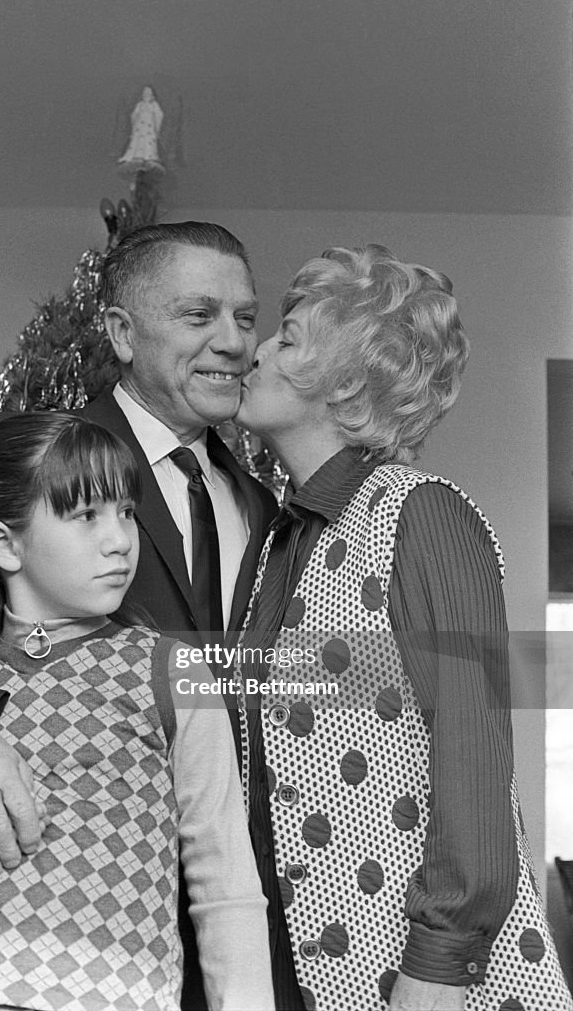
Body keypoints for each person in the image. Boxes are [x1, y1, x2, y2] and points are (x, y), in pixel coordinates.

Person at [0, 222, 277, 1008]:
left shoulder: (262, 502)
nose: (233, 342)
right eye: (200, 317)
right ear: (121, 333)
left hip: (209, 930)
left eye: (245, 317)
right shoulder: (25, 460)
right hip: (11, 928)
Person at [234, 244, 573, 1010]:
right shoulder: (280, 545)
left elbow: (473, 749)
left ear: (346, 381)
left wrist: (438, 965)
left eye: (285, 338)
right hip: (288, 966)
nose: (254, 351)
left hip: (413, 976)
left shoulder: (419, 513)